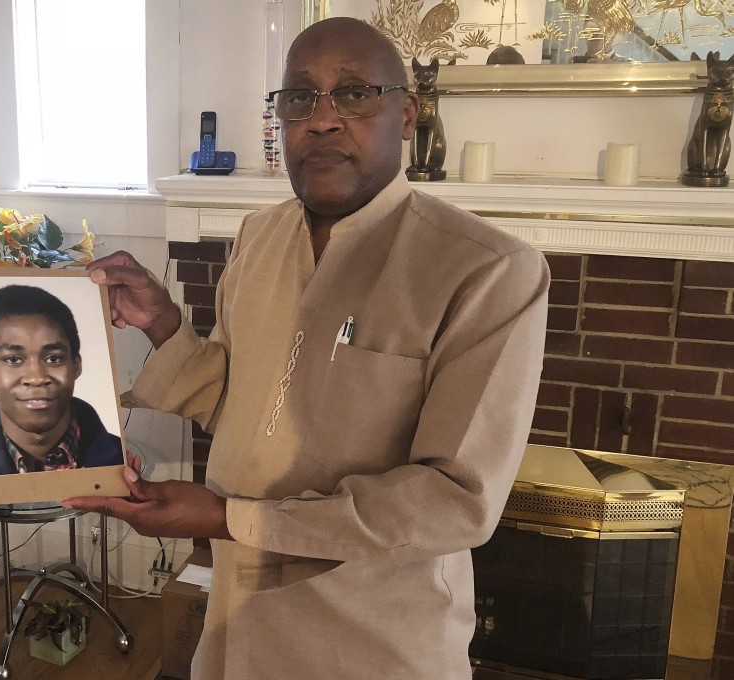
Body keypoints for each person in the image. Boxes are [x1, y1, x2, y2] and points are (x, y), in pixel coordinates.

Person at [63, 16, 550, 680]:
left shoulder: (485, 270)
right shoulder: (259, 237)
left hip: (372, 639)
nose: (321, 119)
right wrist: (162, 325)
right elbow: (243, 402)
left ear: (406, 114)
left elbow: (455, 499)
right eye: (299, 97)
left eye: (353, 92)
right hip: (239, 623)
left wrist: (233, 519)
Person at [0, 284, 122, 478]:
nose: (36, 378)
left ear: (76, 365)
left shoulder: (120, 459)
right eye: (13, 359)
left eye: (53, 359)